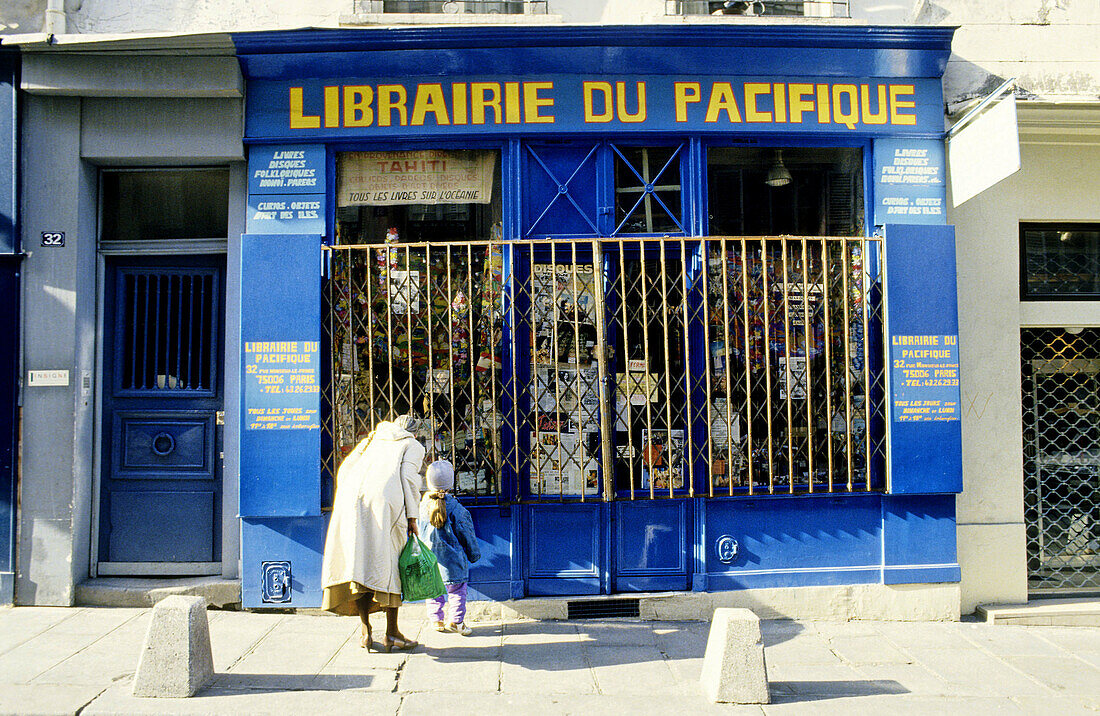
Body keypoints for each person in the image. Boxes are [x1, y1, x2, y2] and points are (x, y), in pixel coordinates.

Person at [321, 415, 425, 652]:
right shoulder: (412, 445)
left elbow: (346, 468)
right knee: (390, 566)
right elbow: (409, 479)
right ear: (414, 432)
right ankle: (392, 633)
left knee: (360, 565)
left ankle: (365, 631)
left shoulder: (371, 439)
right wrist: (412, 517)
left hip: (351, 500)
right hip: (385, 505)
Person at [418, 460, 481, 636]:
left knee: (433, 591)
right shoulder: (457, 509)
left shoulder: (422, 506)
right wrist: (473, 554)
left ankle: (436, 620)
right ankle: (457, 622)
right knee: (458, 592)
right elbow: (466, 535)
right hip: (453, 562)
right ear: (450, 484)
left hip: (430, 561)